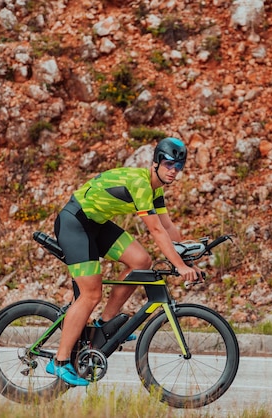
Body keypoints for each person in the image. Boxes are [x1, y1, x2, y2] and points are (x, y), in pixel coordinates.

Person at [46, 137, 199, 386]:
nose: (174, 171)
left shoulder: (155, 188)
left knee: (141, 260)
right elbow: (156, 231)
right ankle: (60, 361)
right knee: (90, 294)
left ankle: (105, 325)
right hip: (75, 222)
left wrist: (187, 262)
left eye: (179, 167)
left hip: (96, 224)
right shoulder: (140, 183)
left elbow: (168, 226)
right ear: (157, 161)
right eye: (170, 164)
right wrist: (179, 267)